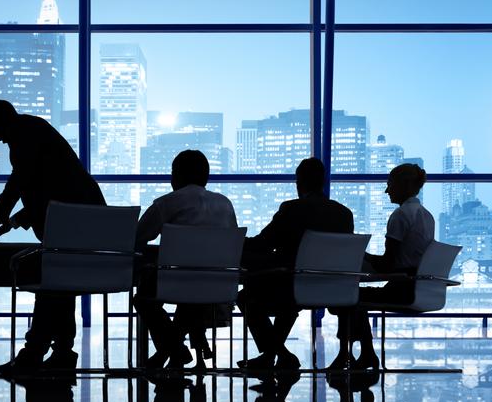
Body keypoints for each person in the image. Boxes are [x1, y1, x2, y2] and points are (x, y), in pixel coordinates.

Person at [0, 100, 106, 371]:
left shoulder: (25, 137)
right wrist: (15, 218)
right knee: (60, 284)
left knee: (50, 283)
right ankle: (59, 352)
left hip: (69, 222)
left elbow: (23, 181)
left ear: (5, 121)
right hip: (80, 220)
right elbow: (50, 187)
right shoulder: (35, 131)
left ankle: (36, 351)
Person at [239, 158, 353, 374]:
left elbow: (264, 243)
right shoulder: (344, 214)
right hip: (333, 289)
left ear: (299, 182)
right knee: (287, 301)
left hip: (291, 285)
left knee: (246, 297)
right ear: (322, 182)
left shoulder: (292, 209)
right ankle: (274, 356)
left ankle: (280, 354)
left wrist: (234, 241)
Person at [134, 150, 238, 370]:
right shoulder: (225, 205)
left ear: (177, 175)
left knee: (144, 299)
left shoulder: (167, 203)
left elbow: (137, 237)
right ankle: (171, 352)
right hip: (218, 285)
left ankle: (174, 351)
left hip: (178, 281)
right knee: (190, 297)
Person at [328, 163, 434, 372]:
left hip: (401, 288)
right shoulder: (427, 216)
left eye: (390, 185)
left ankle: (350, 354)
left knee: (347, 296)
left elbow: (388, 264)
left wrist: (361, 255)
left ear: (403, 185)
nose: (387, 191)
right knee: (353, 297)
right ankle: (364, 353)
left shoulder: (400, 216)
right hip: (417, 287)